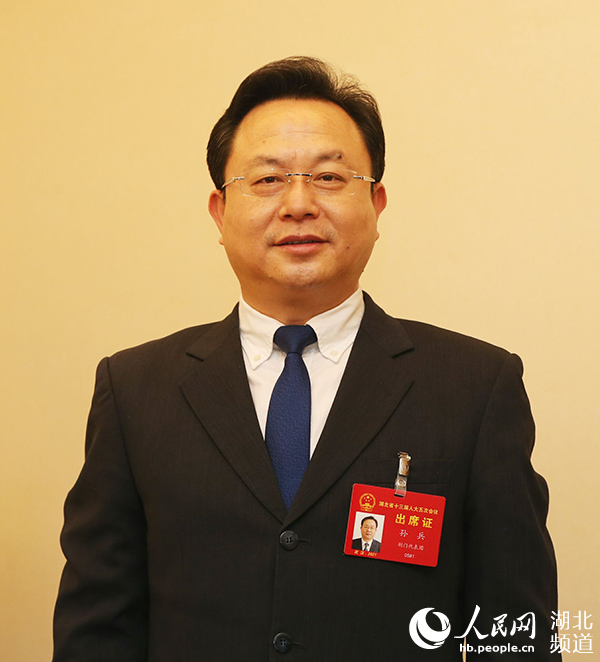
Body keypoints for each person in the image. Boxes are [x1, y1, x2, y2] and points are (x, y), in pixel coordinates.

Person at [53, 56, 560, 661]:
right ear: (220, 212)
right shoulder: (136, 389)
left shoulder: (475, 386)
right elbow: (97, 629)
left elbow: (517, 633)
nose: (298, 204)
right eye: (267, 179)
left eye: (329, 177)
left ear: (376, 204)